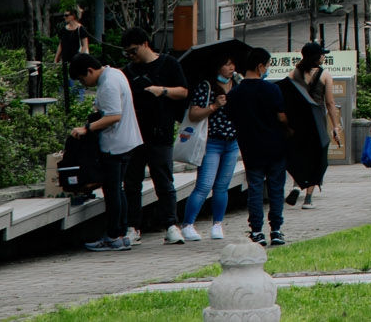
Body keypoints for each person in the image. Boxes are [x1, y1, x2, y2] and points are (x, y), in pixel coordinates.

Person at [68, 52, 143, 251]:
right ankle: (121, 232)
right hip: (127, 141)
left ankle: (113, 235)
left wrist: (88, 128)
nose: (85, 84)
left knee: (112, 192)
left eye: (83, 79)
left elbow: (114, 116)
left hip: (114, 144)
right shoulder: (116, 73)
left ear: (90, 70)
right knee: (118, 189)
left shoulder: (108, 83)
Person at [122, 28, 188, 243]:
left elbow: (184, 91)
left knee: (164, 180)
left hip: (160, 131)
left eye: (133, 51)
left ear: (145, 43)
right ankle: (133, 226)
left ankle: (171, 224)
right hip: (134, 134)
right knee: (132, 183)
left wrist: (162, 90)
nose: (132, 57)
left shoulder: (168, 63)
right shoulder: (128, 71)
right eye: (128, 54)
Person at [225, 47, 291, 247]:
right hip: (275, 146)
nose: (267, 69)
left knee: (254, 189)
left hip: (250, 147)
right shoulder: (272, 90)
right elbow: (281, 116)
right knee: (276, 189)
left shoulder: (236, 93)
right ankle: (276, 230)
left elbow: (231, 117)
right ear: (260, 66)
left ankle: (256, 231)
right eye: (268, 65)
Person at [178, 51, 241, 240]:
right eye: (227, 64)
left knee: (222, 186)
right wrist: (214, 106)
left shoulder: (237, 85)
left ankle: (218, 224)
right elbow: (193, 114)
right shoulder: (207, 86)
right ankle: (188, 224)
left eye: (233, 64)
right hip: (211, 142)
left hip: (232, 142)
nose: (231, 68)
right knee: (204, 185)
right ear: (218, 66)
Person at [280, 43, 340, 210]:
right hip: (317, 119)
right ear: (316, 56)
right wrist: (335, 125)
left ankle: (296, 186)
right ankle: (308, 198)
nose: (324, 57)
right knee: (316, 157)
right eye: (322, 54)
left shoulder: (294, 73)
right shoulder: (325, 75)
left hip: (299, 120)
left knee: (300, 153)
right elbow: (329, 102)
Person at [59, 3, 91, 104]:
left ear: (73, 16)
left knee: (77, 84)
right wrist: (56, 59)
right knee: (66, 85)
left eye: (66, 15)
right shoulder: (64, 29)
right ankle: (68, 105)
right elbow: (60, 45)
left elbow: (85, 44)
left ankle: (79, 105)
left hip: (76, 60)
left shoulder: (81, 29)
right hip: (66, 60)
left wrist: (79, 58)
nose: (64, 17)